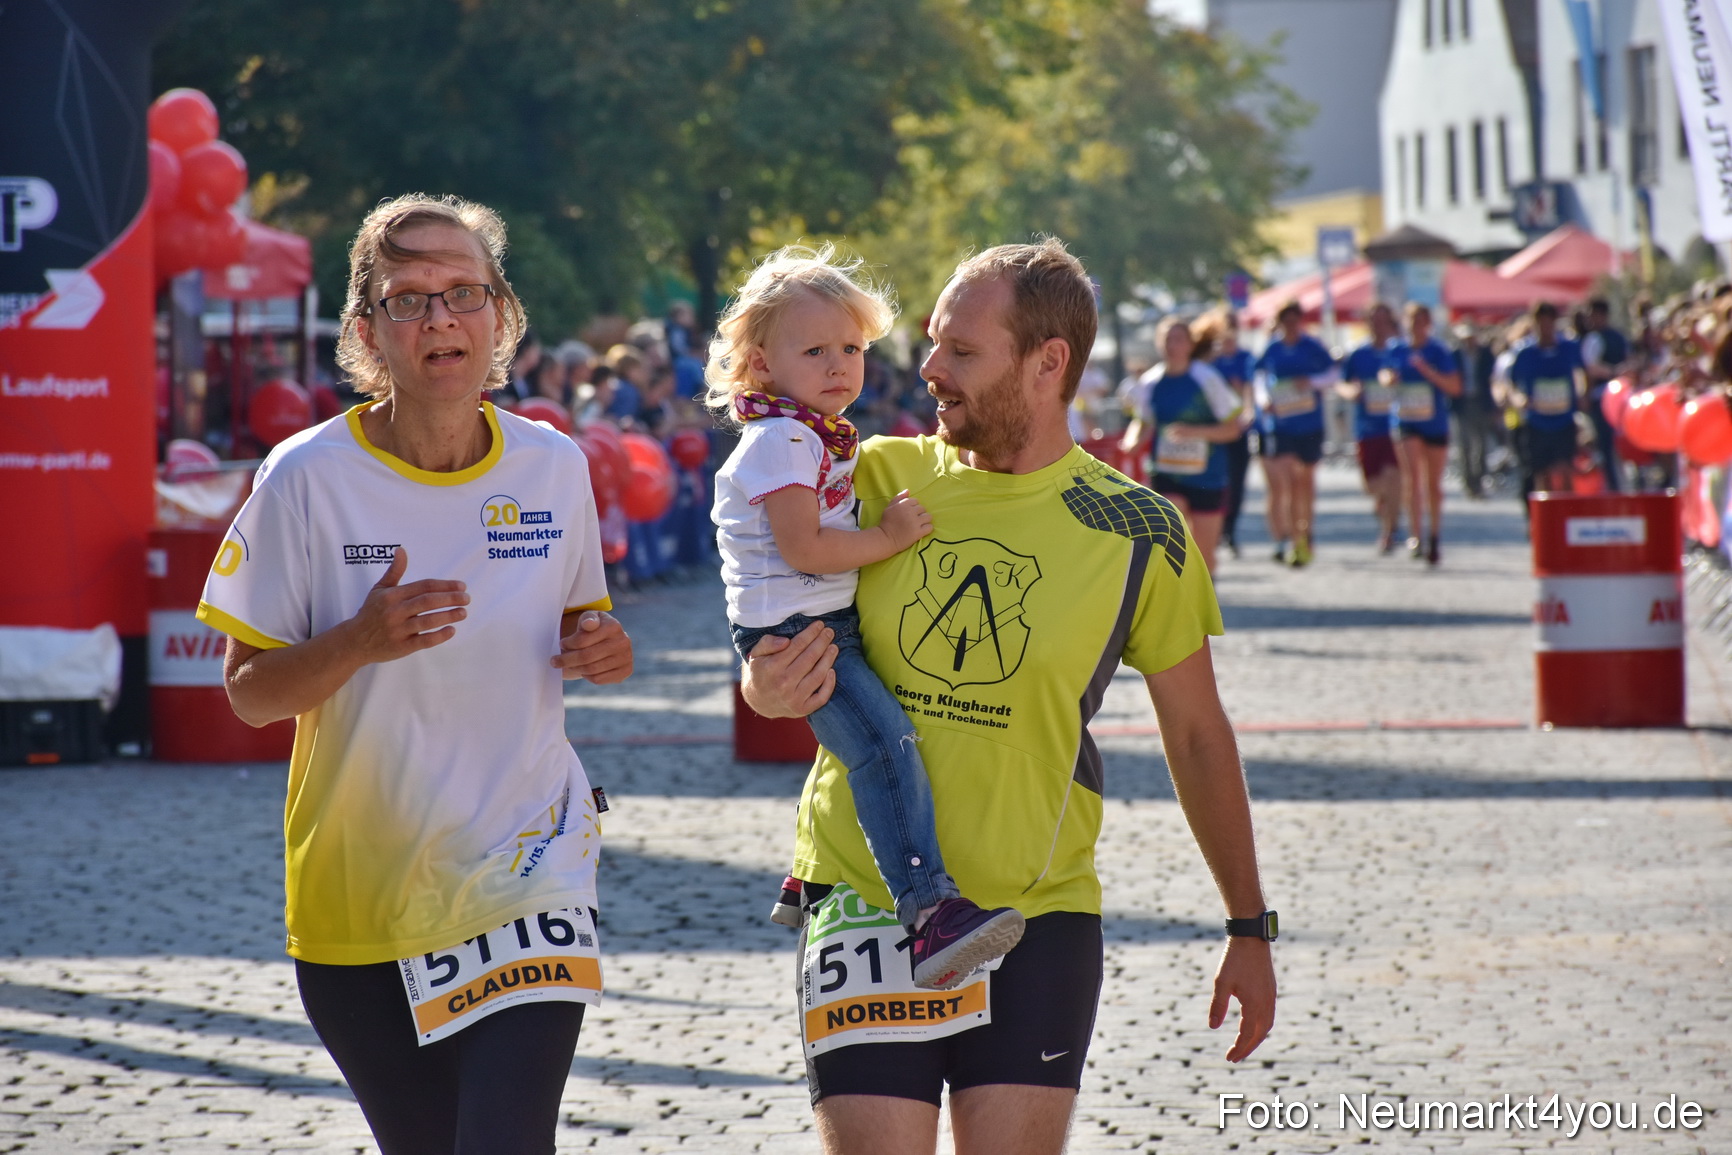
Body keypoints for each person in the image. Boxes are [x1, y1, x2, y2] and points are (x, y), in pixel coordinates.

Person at [740, 239, 1276, 1155]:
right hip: (866, 899)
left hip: (1039, 911)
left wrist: (1247, 926)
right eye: (932, 344)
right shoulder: (869, 476)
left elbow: (1195, 734)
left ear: (1048, 363)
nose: (930, 369)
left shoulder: (1141, 528)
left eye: (962, 350)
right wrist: (766, 685)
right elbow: (765, 620)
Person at [195, 194, 634, 1154]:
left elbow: (583, 626)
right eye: (409, 300)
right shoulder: (305, 477)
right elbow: (248, 691)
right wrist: (357, 641)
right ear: (367, 334)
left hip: (529, 868)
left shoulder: (554, 465)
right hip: (363, 891)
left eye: (464, 293)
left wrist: (609, 648)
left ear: (501, 315)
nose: (442, 319)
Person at [708, 244, 1026, 989]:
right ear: (759, 364)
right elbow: (803, 544)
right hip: (799, 630)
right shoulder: (784, 438)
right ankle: (929, 909)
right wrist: (888, 538)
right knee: (885, 747)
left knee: (865, 740)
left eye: (850, 347)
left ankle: (807, 872)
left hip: (811, 623)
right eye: (814, 349)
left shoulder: (809, 432)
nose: (839, 365)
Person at [1121, 316, 1245, 573]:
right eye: (1167, 339)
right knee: (1172, 534)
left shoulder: (1207, 379)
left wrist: (1193, 432)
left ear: (1190, 345)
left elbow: (1232, 430)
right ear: (1158, 344)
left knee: (1204, 554)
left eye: (1178, 339)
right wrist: (1131, 441)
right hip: (1167, 472)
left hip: (1207, 476)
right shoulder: (1150, 382)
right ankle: (1178, 602)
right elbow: (1143, 422)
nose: (1172, 345)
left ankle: (1205, 605)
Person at [1254, 302, 1337, 567]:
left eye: (1294, 320)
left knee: (1305, 482)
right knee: (1288, 480)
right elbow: (1259, 376)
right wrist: (1264, 398)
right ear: (1280, 322)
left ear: (1300, 321)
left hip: (1310, 425)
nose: (1290, 325)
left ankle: (1306, 529)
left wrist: (1311, 382)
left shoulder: (1312, 346)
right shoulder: (1272, 348)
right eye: (1285, 320)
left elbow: (1333, 373)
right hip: (1281, 425)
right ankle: (1292, 539)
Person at [1387, 303, 1462, 566]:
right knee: (1412, 478)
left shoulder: (1438, 351)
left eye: (1420, 321)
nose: (1415, 326)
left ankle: (1435, 535)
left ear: (1427, 323)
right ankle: (1415, 535)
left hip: (1434, 423)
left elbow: (1454, 386)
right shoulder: (1397, 348)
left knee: (1433, 484)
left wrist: (1428, 373)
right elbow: (1385, 373)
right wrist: (1389, 379)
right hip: (1406, 420)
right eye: (1411, 321)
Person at [1499, 301, 1585, 498]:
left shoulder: (1568, 348)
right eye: (1540, 322)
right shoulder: (1524, 353)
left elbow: (1583, 370)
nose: (1545, 327)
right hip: (1536, 422)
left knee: (1565, 470)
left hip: (1564, 420)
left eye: (1549, 322)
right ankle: (1546, 522)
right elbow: (1510, 383)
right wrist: (1519, 398)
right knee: (1541, 473)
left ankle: (1566, 518)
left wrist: (1584, 393)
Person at [1337, 302, 1403, 552]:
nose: (1379, 325)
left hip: (1397, 427)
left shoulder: (1399, 351)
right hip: (1367, 427)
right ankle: (1383, 503)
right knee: (1372, 484)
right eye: (1374, 320)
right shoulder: (1359, 353)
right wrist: (1351, 391)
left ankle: (1390, 532)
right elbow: (1341, 383)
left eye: (1383, 320)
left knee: (1394, 478)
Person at [1203, 311, 1257, 559]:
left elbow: (1248, 390)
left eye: (1233, 328)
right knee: (1217, 481)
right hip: (1214, 433)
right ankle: (1214, 530)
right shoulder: (1209, 362)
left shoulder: (1245, 357)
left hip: (1237, 430)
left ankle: (1230, 530)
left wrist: (1248, 413)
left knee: (1237, 483)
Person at [1579, 297, 1631, 492]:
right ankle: (1614, 484)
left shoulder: (1595, 338)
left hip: (1604, 399)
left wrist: (1586, 393)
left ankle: (1614, 486)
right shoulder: (1618, 337)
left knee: (1607, 444)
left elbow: (1590, 369)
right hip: (1621, 397)